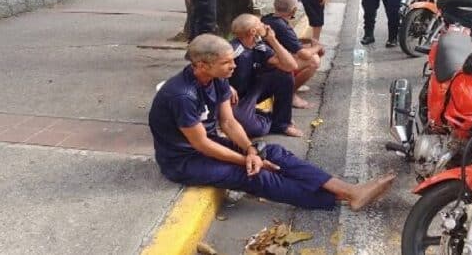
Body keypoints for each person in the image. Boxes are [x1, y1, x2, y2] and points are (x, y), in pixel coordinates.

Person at [148, 34, 397, 210]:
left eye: (232, 60)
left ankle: (349, 190)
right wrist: (246, 160)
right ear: (201, 65)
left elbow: (229, 122)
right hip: (183, 161)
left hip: (206, 145)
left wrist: (251, 149)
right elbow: (201, 145)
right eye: (226, 62)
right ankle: (339, 197)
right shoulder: (181, 95)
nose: (233, 66)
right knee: (252, 175)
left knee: (273, 152)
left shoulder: (217, 78)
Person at [229, 14, 303, 137]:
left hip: (252, 91)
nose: (266, 26)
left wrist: (273, 40)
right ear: (253, 31)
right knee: (255, 130)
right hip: (234, 99)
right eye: (260, 24)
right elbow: (212, 72)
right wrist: (226, 86)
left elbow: (291, 66)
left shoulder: (259, 46)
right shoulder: (233, 50)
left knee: (284, 75)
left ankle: (282, 123)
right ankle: (268, 117)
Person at [262, 0, 324, 109]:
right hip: (270, 67)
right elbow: (304, 55)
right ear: (294, 10)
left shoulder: (268, 18)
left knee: (309, 51)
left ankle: (292, 82)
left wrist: (308, 42)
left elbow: (289, 41)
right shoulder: (282, 26)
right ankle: (289, 94)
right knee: (313, 60)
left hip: (267, 60)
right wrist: (318, 46)